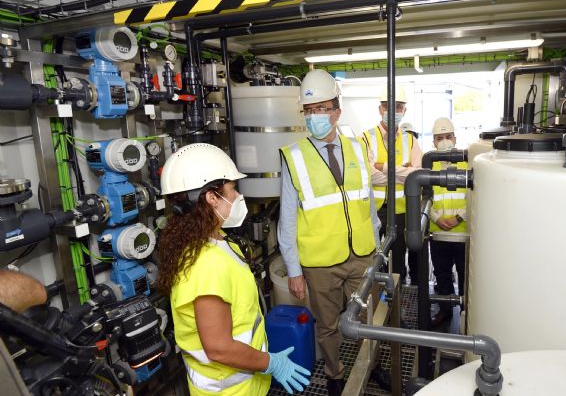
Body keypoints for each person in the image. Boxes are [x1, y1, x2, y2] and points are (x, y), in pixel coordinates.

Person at [157, 143, 310, 395]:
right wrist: (271, 363)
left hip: (247, 382)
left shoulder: (214, 243)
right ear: (211, 198)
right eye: (232, 189)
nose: (238, 196)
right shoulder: (206, 265)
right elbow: (219, 347)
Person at [278, 69, 385, 395]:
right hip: (320, 262)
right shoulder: (293, 157)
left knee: (370, 320)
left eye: (321, 109)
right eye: (309, 111)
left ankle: (375, 364)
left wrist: (378, 248)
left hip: (361, 254)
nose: (315, 117)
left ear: (336, 112)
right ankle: (335, 374)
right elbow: (287, 220)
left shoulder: (356, 149)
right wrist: (294, 270)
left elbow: (367, 204)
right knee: (327, 326)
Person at [362, 88, 422, 286]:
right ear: (380, 109)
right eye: (388, 106)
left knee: (397, 262)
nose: (393, 111)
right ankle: (374, 302)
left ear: (404, 111)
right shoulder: (365, 138)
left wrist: (383, 166)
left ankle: (397, 305)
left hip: (400, 211)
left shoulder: (411, 140)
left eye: (398, 107)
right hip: (372, 211)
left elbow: (415, 176)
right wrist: (400, 172)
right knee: (371, 260)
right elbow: (367, 174)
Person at [428, 117, 469, 328]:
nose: (445, 141)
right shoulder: (429, 164)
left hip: (463, 233)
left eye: (448, 137)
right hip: (438, 233)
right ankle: (445, 311)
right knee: (441, 274)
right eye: (439, 138)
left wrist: (458, 217)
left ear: (455, 138)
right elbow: (422, 197)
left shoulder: (467, 163)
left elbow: (475, 196)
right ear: (433, 142)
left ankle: (465, 313)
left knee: (465, 276)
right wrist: (436, 219)